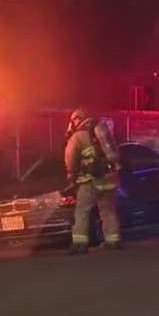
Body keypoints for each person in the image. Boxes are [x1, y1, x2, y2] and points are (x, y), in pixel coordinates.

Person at [62, 108, 123, 255]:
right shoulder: (102, 131)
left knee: (82, 211)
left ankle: (80, 243)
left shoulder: (77, 137)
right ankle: (113, 240)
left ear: (77, 119)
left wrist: (71, 174)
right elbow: (114, 154)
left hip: (91, 180)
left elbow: (70, 159)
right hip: (110, 179)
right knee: (108, 210)